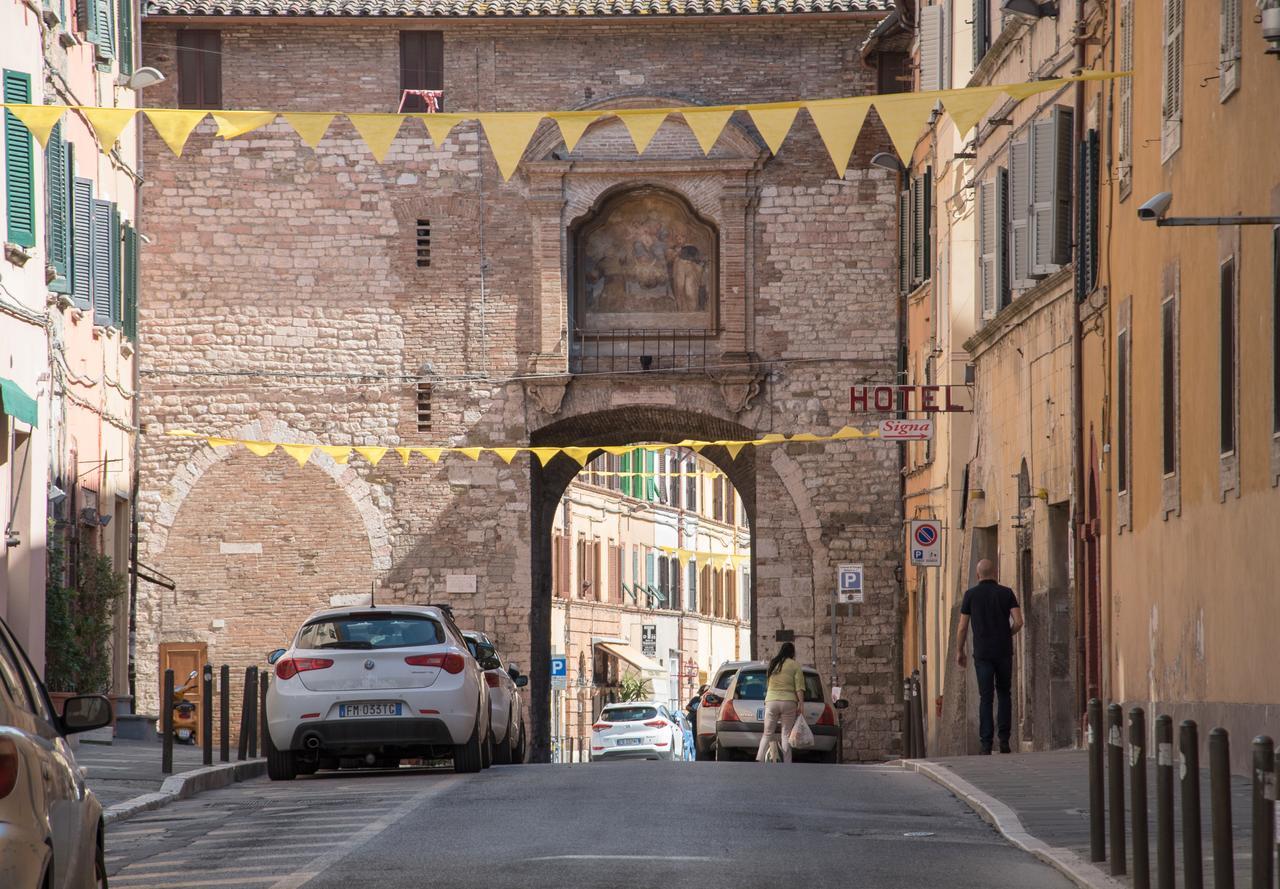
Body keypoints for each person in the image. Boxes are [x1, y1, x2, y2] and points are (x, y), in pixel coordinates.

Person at [956, 559, 1024, 755]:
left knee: (986, 697)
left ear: (978, 576)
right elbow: (1019, 621)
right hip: (1003, 651)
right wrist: (1007, 633)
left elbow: (962, 628)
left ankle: (986, 743)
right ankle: (1004, 741)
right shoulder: (1006, 593)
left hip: (983, 653)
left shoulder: (970, 595)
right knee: (1004, 693)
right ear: (996, 573)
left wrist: (960, 651)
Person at [756, 642, 805, 763]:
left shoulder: (773, 664)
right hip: (789, 702)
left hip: (772, 701)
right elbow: (799, 687)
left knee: (767, 733)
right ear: (792, 653)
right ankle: (787, 763)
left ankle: (759, 759)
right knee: (786, 734)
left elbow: (768, 684)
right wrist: (801, 704)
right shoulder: (795, 665)